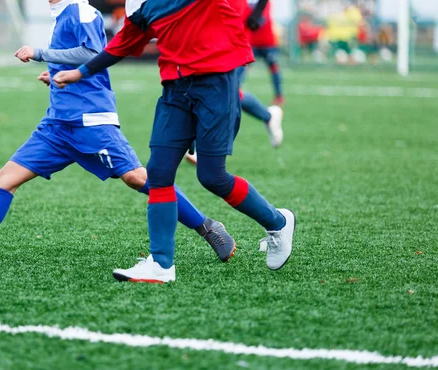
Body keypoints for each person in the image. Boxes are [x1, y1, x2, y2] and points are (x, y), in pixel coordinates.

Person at [0, 0, 237, 273]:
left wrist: (41, 53)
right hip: (56, 125)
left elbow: (92, 52)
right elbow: (76, 60)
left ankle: (208, 227)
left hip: (91, 122)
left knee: (139, 178)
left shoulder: (82, 11)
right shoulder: (61, 16)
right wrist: (54, 76)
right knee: (5, 179)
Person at [53, 0, 296, 283]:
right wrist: (79, 72)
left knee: (212, 176)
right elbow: (121, 43)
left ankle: (278, 223)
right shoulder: (150, 7)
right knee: (158, 173)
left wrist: (255, 13)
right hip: (175, 91)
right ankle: (161, 264)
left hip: (217, 86)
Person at [245, 0, 284, 106]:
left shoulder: (264, 2)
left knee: (274, 68)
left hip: (267, 42)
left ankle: (279, 96)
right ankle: (236, 92)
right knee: (243, 68)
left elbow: (262, 19)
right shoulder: (246, 2)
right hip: (252, 42)